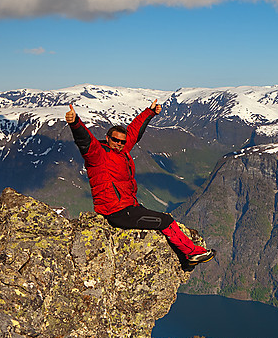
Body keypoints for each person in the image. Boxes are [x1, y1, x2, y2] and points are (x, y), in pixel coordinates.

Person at [65, 100, 215, 266]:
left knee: (161, 219)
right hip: (116, 213)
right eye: (116, 140)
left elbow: (134, 132)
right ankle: (191, 254)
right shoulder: (98, 156)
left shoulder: (121, 151)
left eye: (122, 141)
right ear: (107, 138)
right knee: (165, 221)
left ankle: (188, 259)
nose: (120, 144)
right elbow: (86, 142)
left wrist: (149, 112)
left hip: (130, 207)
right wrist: (75, 123)